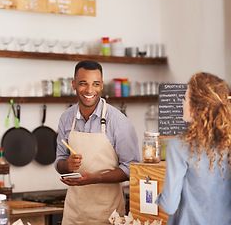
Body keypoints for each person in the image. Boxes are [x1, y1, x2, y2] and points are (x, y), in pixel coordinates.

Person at [55, 60, 140, 224]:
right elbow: (59, 160)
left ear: (101, 86)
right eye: (83, 83)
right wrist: (67, 166)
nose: (89, 90)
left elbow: (131, 168)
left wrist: (95, 179)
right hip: (74, 214)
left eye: (95, 84)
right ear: (73, 84)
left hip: (108, 215)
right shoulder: (66, 119)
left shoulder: (119, 122)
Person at [155, 72, 231, 224]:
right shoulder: (227, 142)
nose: (182, 103)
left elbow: (169, 206)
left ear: (197, 108)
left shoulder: (180, 145)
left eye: (185, 98)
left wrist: (159, 198)